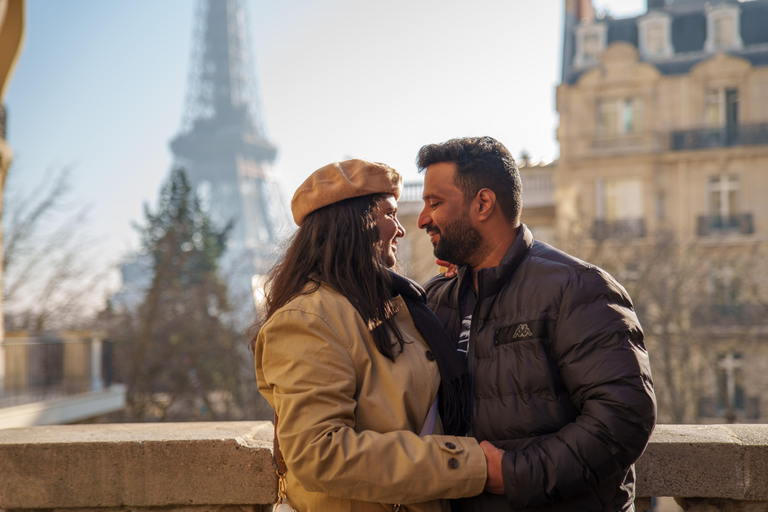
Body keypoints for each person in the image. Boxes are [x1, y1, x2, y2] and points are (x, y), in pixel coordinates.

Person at [415, 137, 656, 512]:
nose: (422, 219)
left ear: (483, 203)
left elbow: (623, 418)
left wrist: (512, 473)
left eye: (435, 203)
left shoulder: (578, 287)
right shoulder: (437, 299)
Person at [252, 159, 490, 512]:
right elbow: (321, 454)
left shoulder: (388, 306)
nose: (401, 228)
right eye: (390, 214)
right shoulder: (306, 319)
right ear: (356, 224)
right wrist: (469, 464)